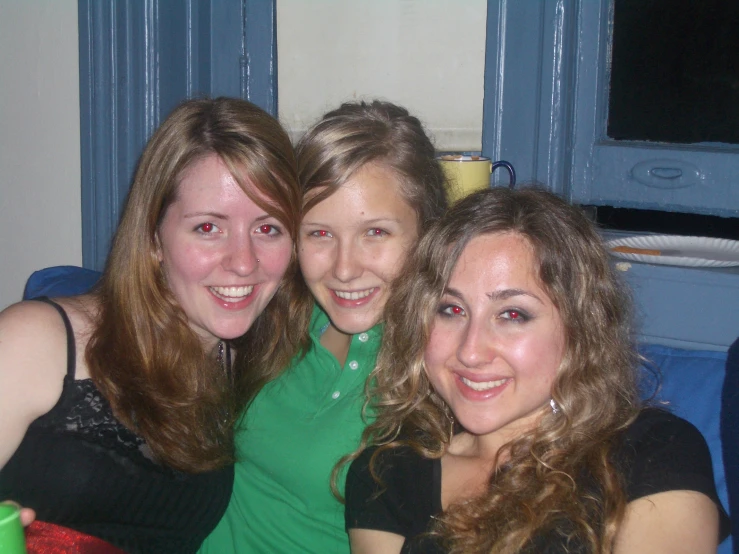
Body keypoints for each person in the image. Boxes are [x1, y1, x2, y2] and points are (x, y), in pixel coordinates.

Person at [345, 187, 731, 554]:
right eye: (451, 309)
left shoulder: (653, 451)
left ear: (581, 328)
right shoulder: (387, 472)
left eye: (513, 315)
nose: (471, 351)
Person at [0, 97, 302, 553]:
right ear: (153, 237)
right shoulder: (36, 341)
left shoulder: (256, 368)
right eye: (207, 228)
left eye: (268, 228)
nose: (243, 263)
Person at [199, 100, 448, 553]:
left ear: (427, 234)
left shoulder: (446, 367)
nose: (345, 269)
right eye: (319, 233)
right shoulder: (273, 316)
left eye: (376, 233)